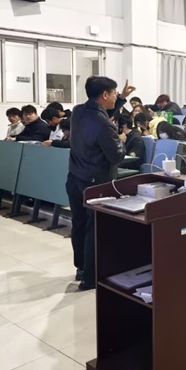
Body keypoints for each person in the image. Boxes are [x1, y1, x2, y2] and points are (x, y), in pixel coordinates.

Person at [66, 77, 134, 291]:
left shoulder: (78, 111)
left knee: (79, 223)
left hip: (75, 177)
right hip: (96, 183)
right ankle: (90, 277)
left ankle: (81, 267)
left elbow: (102, 114)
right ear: (105, 95)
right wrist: (121, 141)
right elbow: (116, 156)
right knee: (95, 228)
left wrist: (122, 99)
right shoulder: (104, 125)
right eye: (114, 93)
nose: (115, 96)